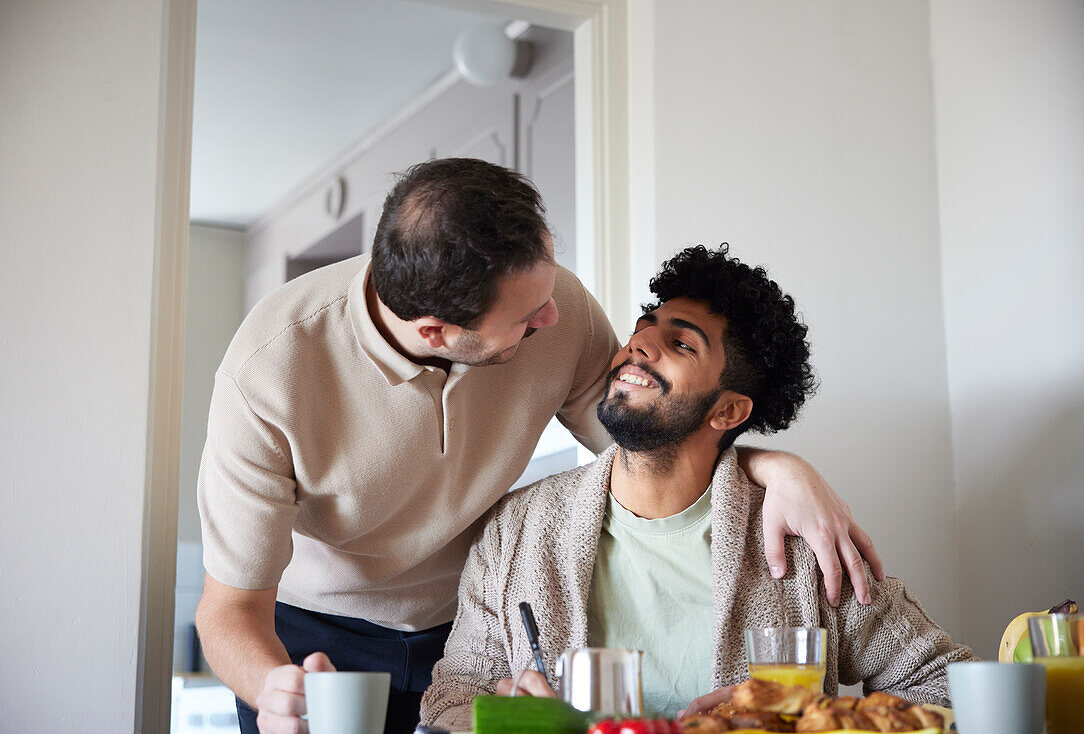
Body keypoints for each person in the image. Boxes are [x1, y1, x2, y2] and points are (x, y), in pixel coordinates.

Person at [194, 159, 883, 734]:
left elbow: (650, 444)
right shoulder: (270, 372)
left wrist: (776, 465)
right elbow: (228, 610)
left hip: (468, 619)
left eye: (551, 291)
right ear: (437, 332)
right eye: (529, 318)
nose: (556, 320)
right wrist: (273, 686)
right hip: (318, 637)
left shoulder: (560, 309)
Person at [420, 245, 975, 730]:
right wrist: (512, 717)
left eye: (682, 344)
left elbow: (952, 688)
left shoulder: (803, 545)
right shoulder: (518, 530)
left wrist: (800, 719)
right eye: (646, 325)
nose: (639, 344)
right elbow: (450, 697)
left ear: (729, 410)